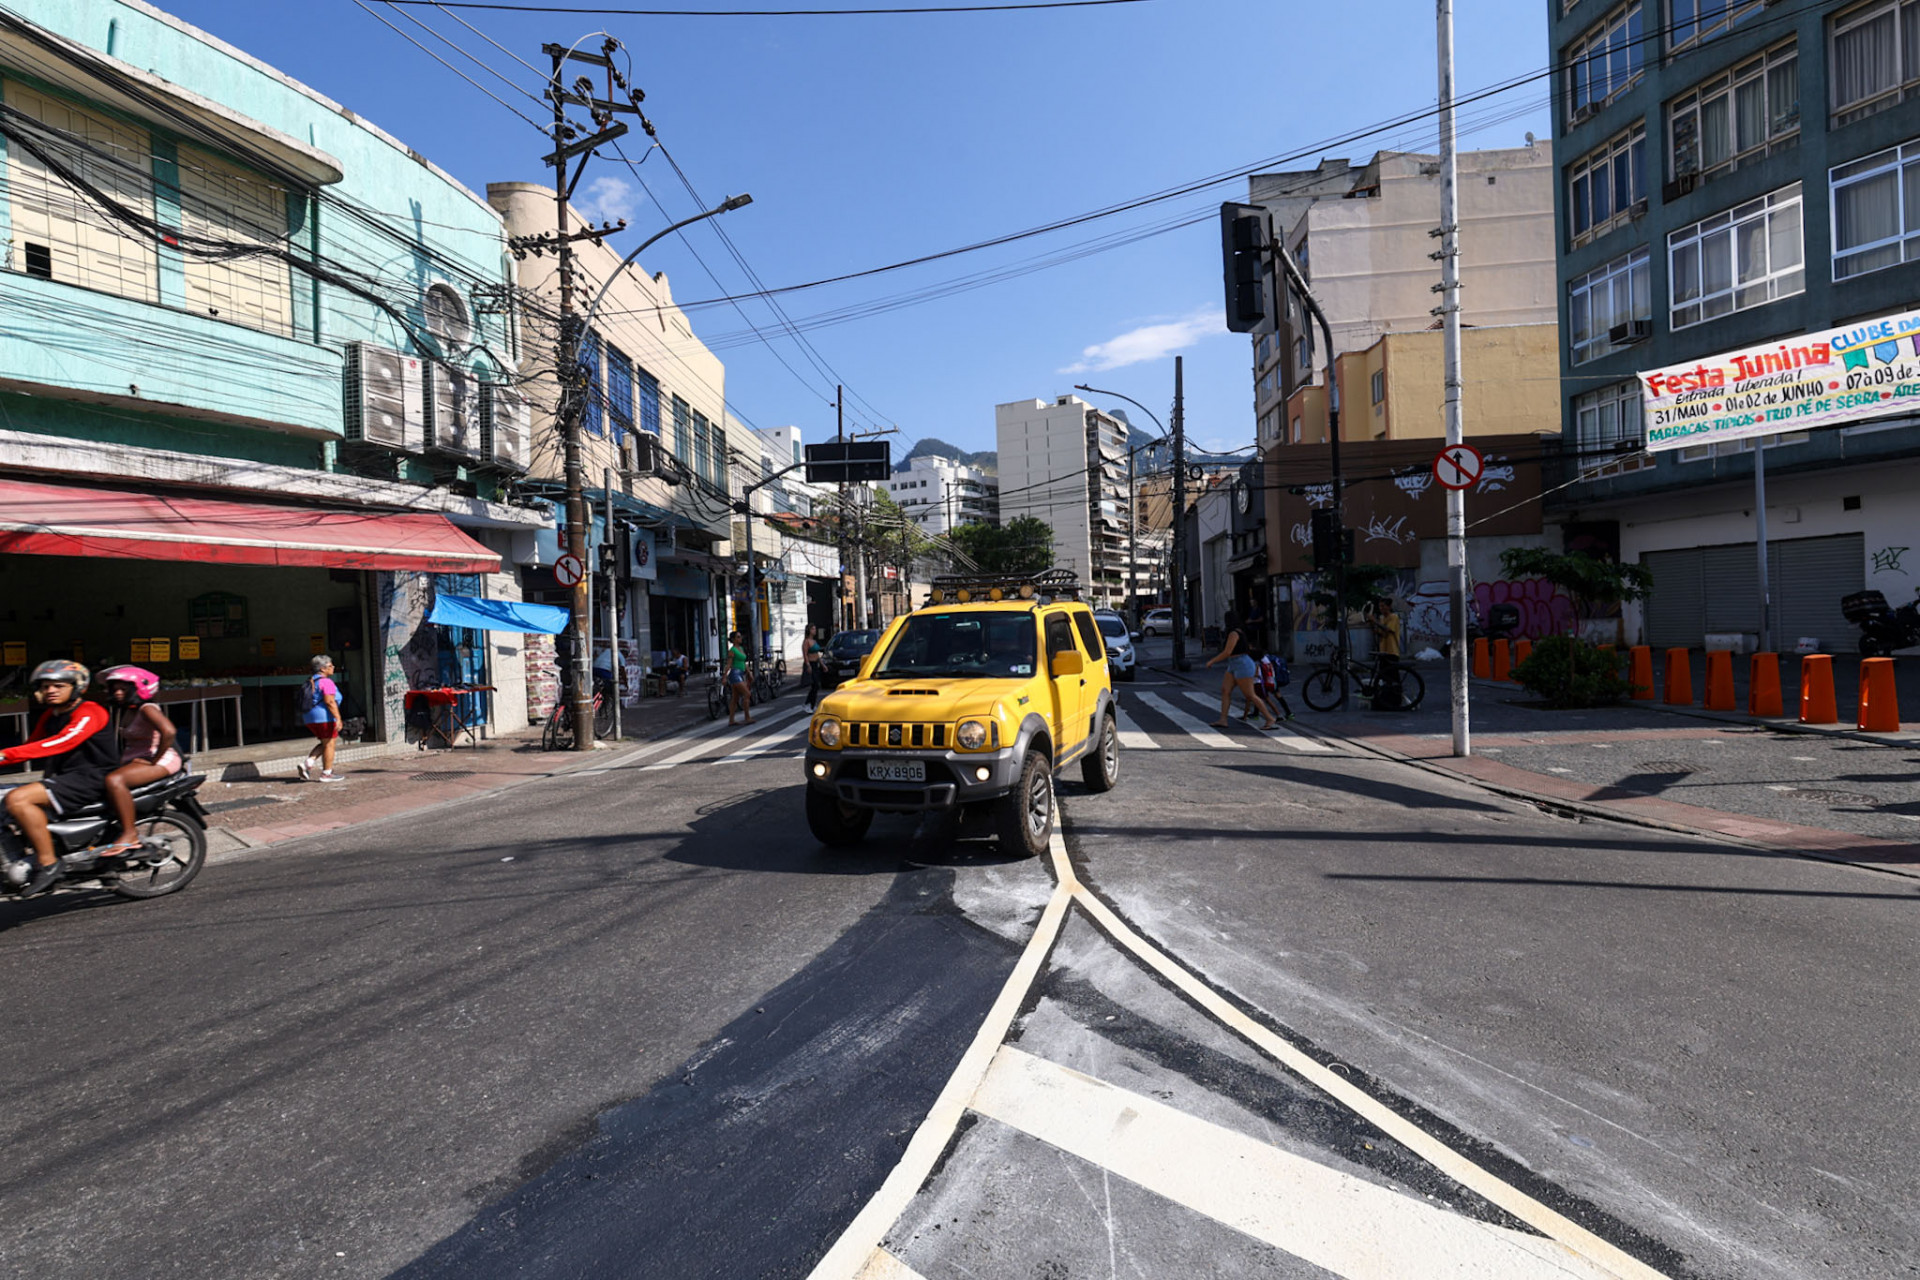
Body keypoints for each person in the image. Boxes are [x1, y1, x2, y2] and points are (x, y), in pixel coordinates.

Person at [0, 661, 116, 897]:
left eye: (58, 685)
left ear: (77, 687)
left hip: (90, 778)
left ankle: (49, 863)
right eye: (46, 686)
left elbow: (64, 742)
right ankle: (15, 858)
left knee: (18, 799)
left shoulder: (90, 711)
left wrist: (4, 755)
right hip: (65, 778)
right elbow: (31, 746)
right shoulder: (51, 715)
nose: (50, 690)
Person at [98, 665, 183, 856]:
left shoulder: (147, 709)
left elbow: (169, 731)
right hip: (136, 760)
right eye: (115, 689)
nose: (118, 693)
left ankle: (130, 834)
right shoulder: (128, 710)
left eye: (123, 689)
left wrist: (155, 759)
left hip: (160, 761)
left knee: (115, 780)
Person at [1204, 611, 1278, 731]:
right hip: (1234, 664)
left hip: (1242, 664)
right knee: (1225, 690)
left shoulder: (1234, 633)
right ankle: (1223, 719)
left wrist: (1212, 661)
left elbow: (1227, 651)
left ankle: (1270, 718)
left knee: (1250, 694)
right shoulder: (1237, 632)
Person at [295, 654, 346, 782]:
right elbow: (330, 701)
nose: (333, 667)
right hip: (324, 718)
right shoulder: (326, 682)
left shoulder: (311, 680)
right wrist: (338, 718)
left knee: (325, 742)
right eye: (330, 665)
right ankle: (326, 773)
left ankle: (308, 763)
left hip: (310, 717)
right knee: (329, 744)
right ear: (323, 669)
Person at [1369, 595, 1404, 711]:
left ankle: (1397, 699)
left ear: (1389, 607)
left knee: (1393, 677)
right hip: (1383, 651)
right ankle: (1387, 700)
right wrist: (1373, 625)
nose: (1381, 608)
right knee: (1384, 677)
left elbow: (1388, 630)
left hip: (1392, 651)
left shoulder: (1393, 617)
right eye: (1380, 606)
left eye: (1383, 606)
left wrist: (1376, 622)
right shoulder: (1382, 618)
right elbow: (1382, 633)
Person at [725, 629, 753, 726]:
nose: (740, 638)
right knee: (747, 694)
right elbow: (728, 664)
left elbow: (743, 663)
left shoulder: (740, 648)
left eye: (740, 636)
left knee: (735, 698)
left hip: (741, 673)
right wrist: (724, 677)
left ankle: (731, 720)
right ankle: (747, 717)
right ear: (733, 640)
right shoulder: (732, 651)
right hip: (735, 674)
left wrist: (749, 673)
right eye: (738, 637)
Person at [802, 625, 827, 709]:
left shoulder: (814, 641)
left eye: (815, 628)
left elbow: (817, 655)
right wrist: (808, 665)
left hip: (816, 664)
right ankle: (808, 703)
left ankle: (812, 704)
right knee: (814, 684)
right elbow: (805, 655)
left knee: (817, 685)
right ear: (809, 630)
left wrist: (823, 665)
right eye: (813, 629)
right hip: (810, 664)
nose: (815, 630)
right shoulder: (806, 641)